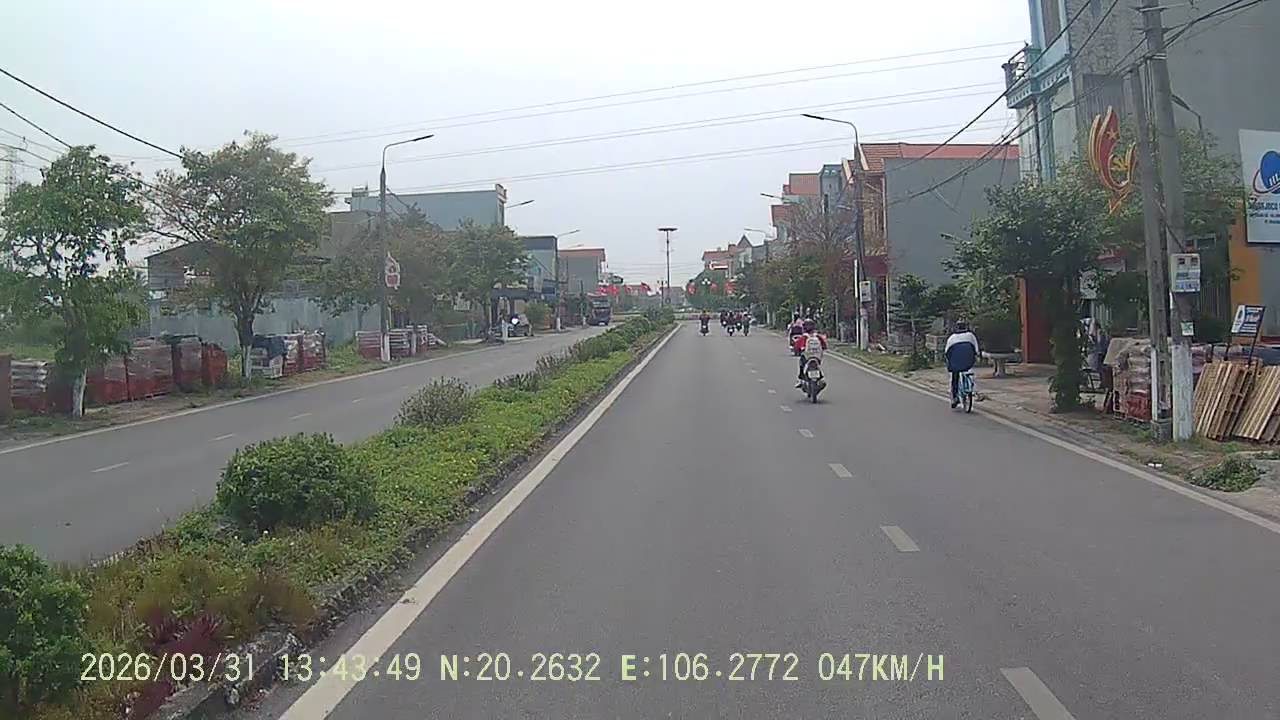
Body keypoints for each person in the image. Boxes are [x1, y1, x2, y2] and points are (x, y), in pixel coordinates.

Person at [944, 321, 980, 408]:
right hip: (968, 360)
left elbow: (947, 352)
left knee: (955, 377)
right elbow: (976, 349)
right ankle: (972, 388)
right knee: (969, 371)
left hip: (956, 361)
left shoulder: (952, 338)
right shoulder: (971, 336)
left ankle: (955, 397)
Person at [794, 318, 827, 387]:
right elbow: (824, 345)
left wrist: (797, 350)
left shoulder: (805, 336)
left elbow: (797, 346)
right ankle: (821, 378)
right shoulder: (817, 335)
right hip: (817, 356)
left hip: (808, 356)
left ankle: (800, 379)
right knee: (817, 366)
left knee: (801, 364)